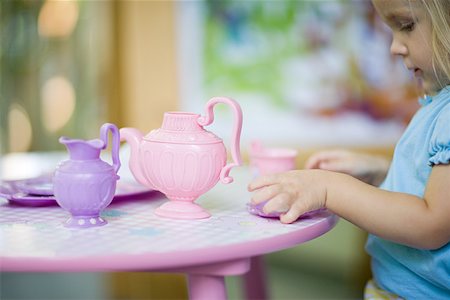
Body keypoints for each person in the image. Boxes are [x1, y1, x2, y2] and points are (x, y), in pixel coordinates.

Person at [248, 0, 450, 298]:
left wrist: (330, 188)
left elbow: (431, 223)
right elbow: (433, 191)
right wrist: (382, 172)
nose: (394, 47)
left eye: (406, 25)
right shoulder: (438, 106)